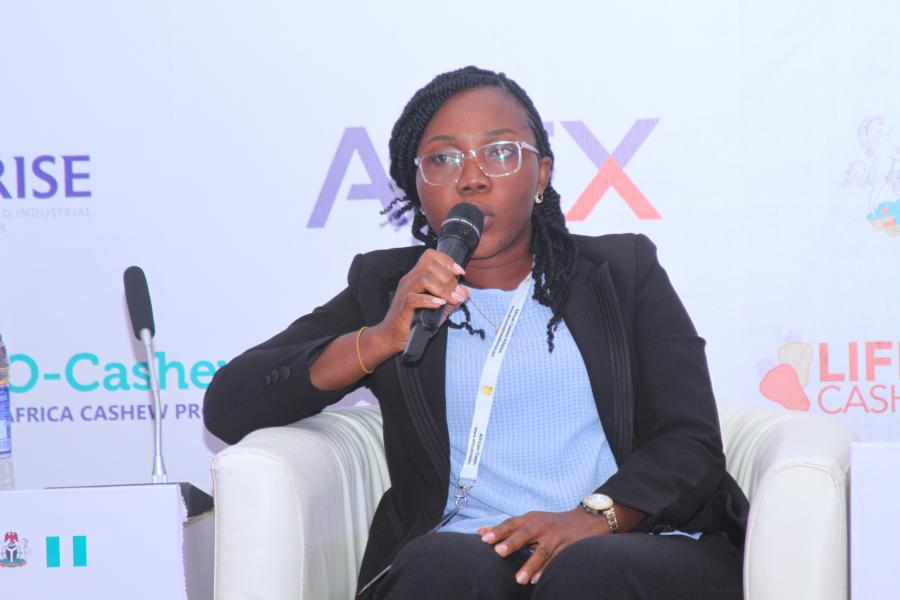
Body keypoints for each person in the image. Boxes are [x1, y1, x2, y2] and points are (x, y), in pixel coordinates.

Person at [203, 66, 748, 599]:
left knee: (588, 571)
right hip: (468, 550)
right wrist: (380, 338)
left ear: (542, 175)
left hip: (627, 539)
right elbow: (230, 406)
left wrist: (593, 518)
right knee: (438, 566)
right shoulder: (388, 287)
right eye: (443, 158)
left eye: (500, 152)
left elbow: (689, 441)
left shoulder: (622, 273)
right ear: (417, 187)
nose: (471, 177)